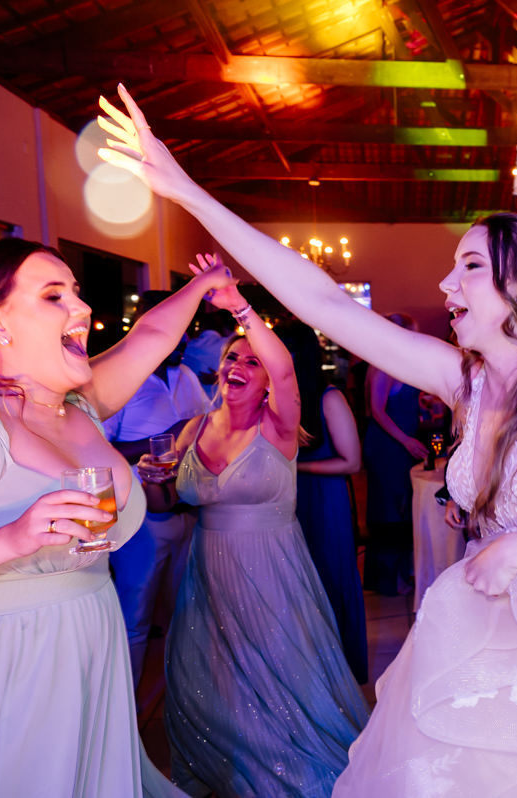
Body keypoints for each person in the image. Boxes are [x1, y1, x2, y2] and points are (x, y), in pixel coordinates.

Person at [97, 85, 517, 796]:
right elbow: (323, 300)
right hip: (479, 637)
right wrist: (185, 191)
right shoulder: (466, 379)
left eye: (470, 267)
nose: (445, 281)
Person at [0, 237, 235, 796]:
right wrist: (11, 539)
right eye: (54, 295)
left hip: (89, 647)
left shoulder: (81, 408)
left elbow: (153, 337)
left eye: (77, 293)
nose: (82, 309)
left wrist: (205, 285)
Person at [139, 258, 369, 797]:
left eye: (250, 360)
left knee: (282, 674)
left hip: (272, 570)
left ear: (268, 380)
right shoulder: (192, 428)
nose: (237, 365)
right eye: (230, 357)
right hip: (208, 575)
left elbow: (287, 370)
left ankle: (289, 768)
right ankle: (233, 766)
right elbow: (167, 504)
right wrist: (154, 480)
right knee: (213, 680)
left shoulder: (279, 426)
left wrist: (240, 309)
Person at [104, 291, 211, 687]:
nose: (184, 340)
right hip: (142, 515)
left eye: (187, 331)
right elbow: (99, 446)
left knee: (186, 609)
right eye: (176, 330)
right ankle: (125, 708)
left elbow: (203, 424)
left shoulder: (185, 377)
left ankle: (185, 694)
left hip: (188, 508)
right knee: (136, 614)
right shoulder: (121, 381)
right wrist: (160, 440)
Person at [286, 323, 369, 684]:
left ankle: (338, 673)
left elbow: (351, 462)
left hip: (323, 500)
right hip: (284, 500)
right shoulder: (275, 395)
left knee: (328, 578)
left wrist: (294, 467)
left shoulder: (328, 397)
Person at [362, 312, 425, 595]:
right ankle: (388, 579)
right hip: (389, 445)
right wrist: (406, 441)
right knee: (390, 508)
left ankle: (399, 573)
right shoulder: (383, 364)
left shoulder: (396, 361)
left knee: (399, 506)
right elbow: (376, 410)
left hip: (398, 442)